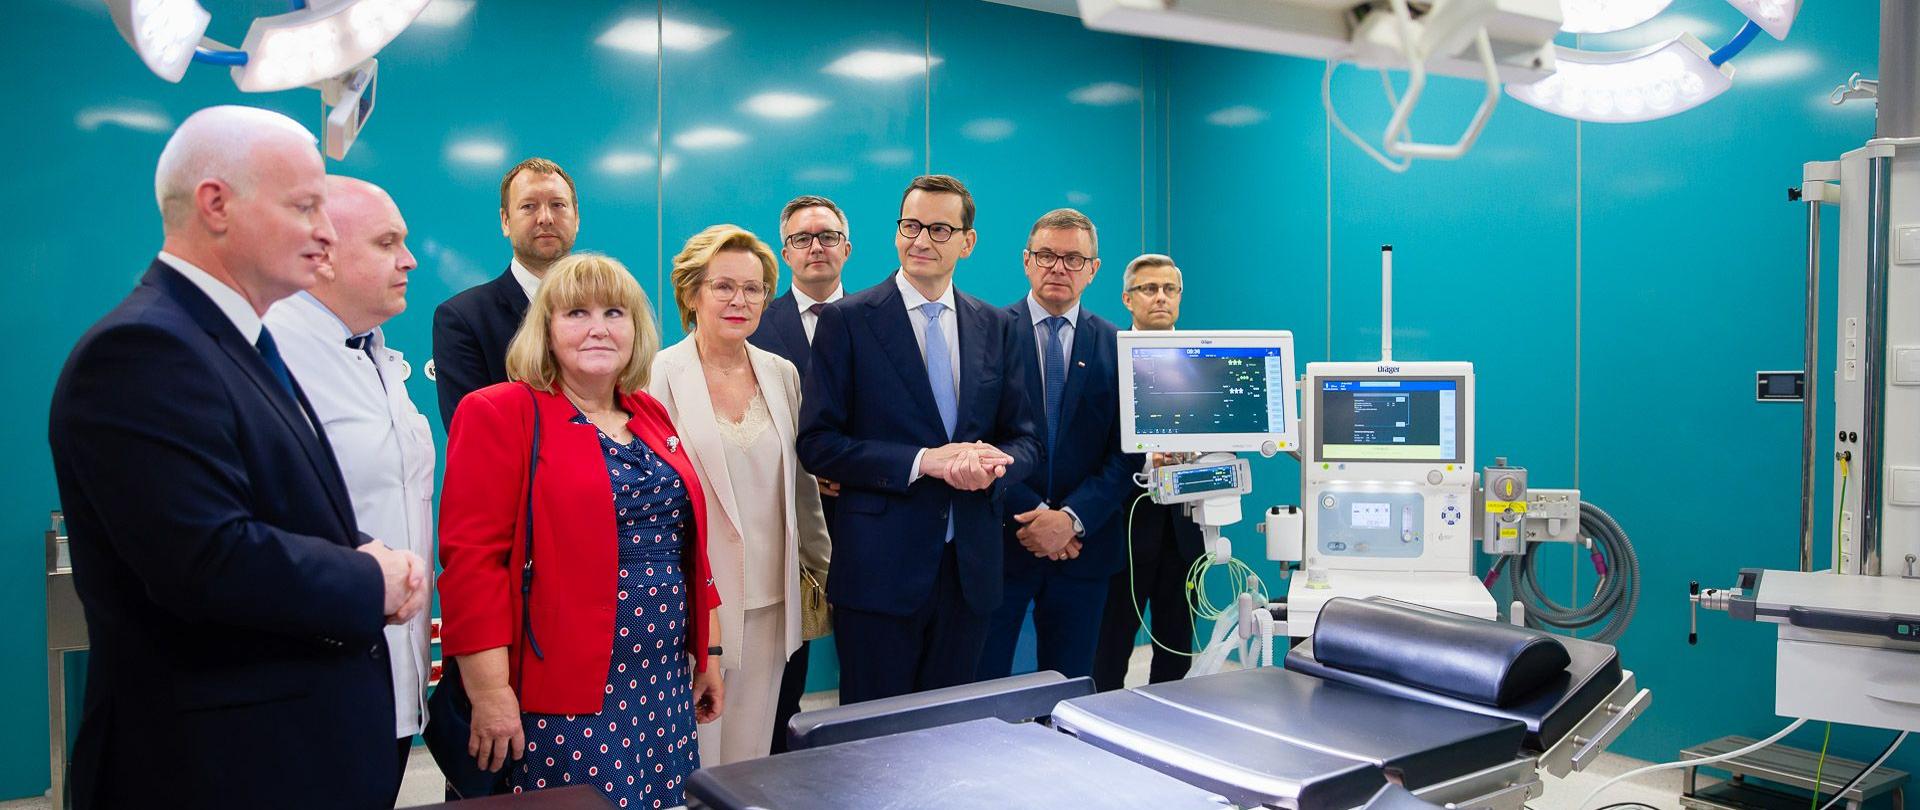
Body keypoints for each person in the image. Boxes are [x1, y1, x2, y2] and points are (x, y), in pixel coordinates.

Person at [48, 105, 427, 809]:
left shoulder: (238, 345)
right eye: (305, 205)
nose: (324, 231)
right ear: (215, 205)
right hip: (211, 767)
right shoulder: (144, 350)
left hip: (290, 745)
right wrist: (365, 578)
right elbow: (206, 560)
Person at [438, 253, 725, 808]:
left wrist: (707, 652)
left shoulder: (647, 413)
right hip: (564, 693)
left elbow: (684, 545)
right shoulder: (500, 412)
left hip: (662, 682)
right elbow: (473, 565)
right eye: (576, 313)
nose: (598, 327)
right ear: (545, 329)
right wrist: (490, 692)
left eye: (615, 312)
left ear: (636, 329)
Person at [797, 174, 1041, 704]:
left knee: (949, 736)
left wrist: (994, 464)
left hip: (969, 570)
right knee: (870, 738)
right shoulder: (848, 321)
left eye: (938, 228)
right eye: (910, 225)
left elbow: (1026, 440)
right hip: (879, 573)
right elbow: (817, 442)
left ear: (967, 242)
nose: (921, 240)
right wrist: (922, 461)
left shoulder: (995, 325)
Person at [263, 175, 435, 796]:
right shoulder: (270, 354)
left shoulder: (375, 353)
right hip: (309, 680)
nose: (410, 259)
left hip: (390, 671)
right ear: (324, 253)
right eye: (388, 242)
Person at [651, 224, 830, 764]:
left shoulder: (781, 374)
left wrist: (821, 567)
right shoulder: (656, 374)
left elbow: (802, 488)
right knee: (693, 755)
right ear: (691, 292)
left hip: (773, 600)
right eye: (723, 286)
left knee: (752, 754)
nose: (740, 301)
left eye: (753, 289)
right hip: (694, 603)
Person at [978, 209, 1134, 682]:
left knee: (1069, 688)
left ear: (1094, 269)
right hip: (1003, 539)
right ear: (1026, 261)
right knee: (982, 686)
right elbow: (974, 438)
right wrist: (1032, 514)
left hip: (1083, 549)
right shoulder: (986, 333)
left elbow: (1127, 453)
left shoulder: (1116, 345)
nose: (1058, 268)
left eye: (1072, 258)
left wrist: (1069, 520)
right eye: (1046, 255)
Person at [747, 194, 849, 752]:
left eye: (828, 236)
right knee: (784, 669)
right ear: (784, 253)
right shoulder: (756, 321)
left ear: (847, 248)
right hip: (781, 520)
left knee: (865, 667)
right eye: (802, 239)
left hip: (863, 515)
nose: (817, 247)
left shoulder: (880, 318)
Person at [1091, 254, 1206, 692]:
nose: (1160, 297)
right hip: (1123, 521)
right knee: (1112, 641)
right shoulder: (1106, 359)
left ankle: (1168, 725)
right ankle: (1100, 726)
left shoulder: (1203, 362)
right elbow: (1095, 441)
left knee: (1177, 641)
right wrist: (1144, 462)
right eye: (1149, 289)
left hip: (1184, 527)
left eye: (1169, 289)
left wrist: (1198, 454)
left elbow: (1223, 433)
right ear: (1127, 298)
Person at [431, 157, 580, 427]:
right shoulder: (463, 319)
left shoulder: (611, 312)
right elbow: (473, 434)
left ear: (576, 217)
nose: (545, 218)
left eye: (558, 205)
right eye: (529, 206)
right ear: (505, 221)